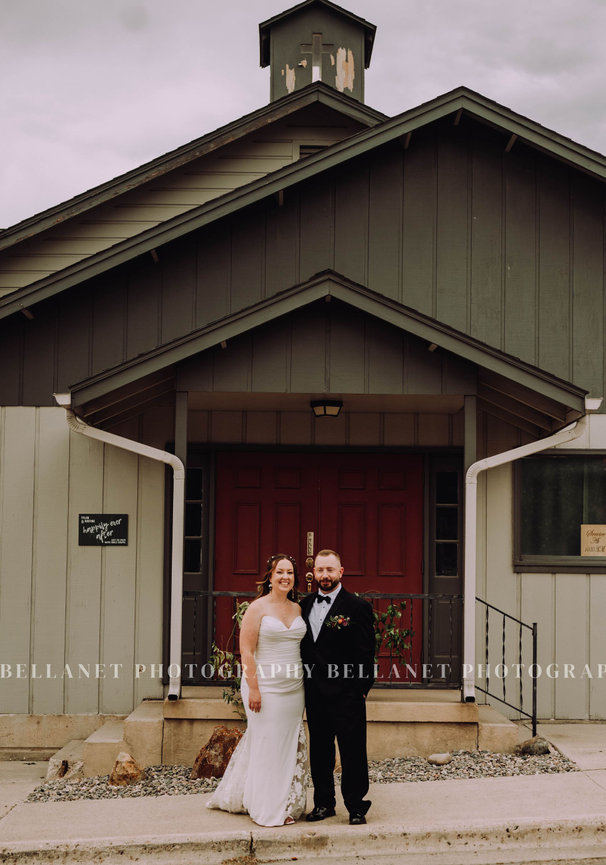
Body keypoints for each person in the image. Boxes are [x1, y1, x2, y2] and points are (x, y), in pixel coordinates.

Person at [206, 554, 309, 826]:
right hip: (264, 686)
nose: (285, 577)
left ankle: (286, 802)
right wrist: (254, 688)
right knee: (266, 743)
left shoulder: (298, 609)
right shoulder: (257, 608)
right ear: (270, 577)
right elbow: (246, 651)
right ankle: (266, 806)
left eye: (290, 573)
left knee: (287, 745)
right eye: (280, 572)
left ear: (294, 578)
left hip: (293, 688)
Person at [300, 549, 375, 825]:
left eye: (330, 570)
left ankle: (356, 805)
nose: (325, 575)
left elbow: (367, 653)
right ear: (314, 573)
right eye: (320, 570)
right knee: (320, 751)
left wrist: (361, 689)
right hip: (315, 694)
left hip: (347, 694)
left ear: (341, 572)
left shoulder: (357, 607)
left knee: (353, 750)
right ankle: (324, 804)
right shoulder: (304, 605)